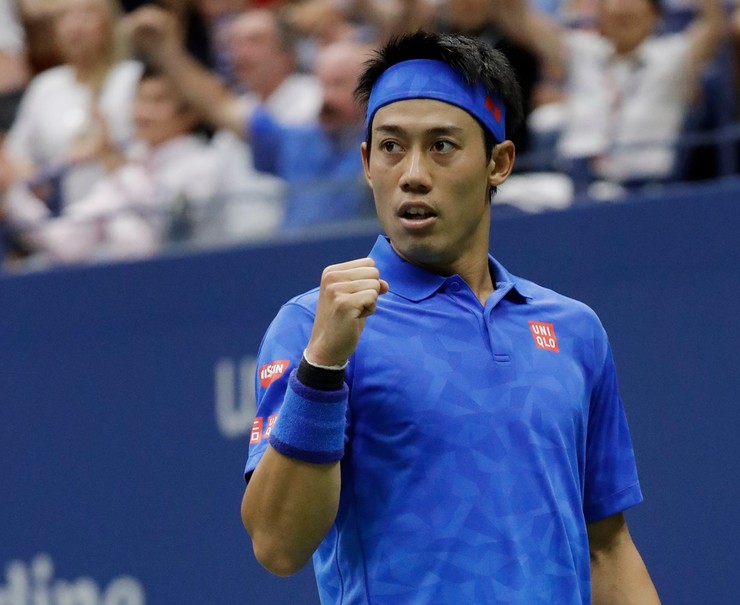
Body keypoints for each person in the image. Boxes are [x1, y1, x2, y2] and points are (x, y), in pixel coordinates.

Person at [241, 30, 661, 604]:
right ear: (366, 163)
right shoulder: (312, 325)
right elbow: (277, 545)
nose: (413, 173)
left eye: (441, 146)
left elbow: (607, 549)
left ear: (499, 163)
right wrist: (322, 367)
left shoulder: (574, 331)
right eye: (391, 147)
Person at [127, 5, 374, 232]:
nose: (326, 97)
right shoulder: (298, 141)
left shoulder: (381, 147)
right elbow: (221, 106)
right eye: (323, 84)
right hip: (290, 256)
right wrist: (165, 51)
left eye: (339, 84)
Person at [1, 63, 252, 266]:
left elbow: (162, 235)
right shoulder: (128, 165)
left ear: (190, 113)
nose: (143, 112)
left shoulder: (205, 164)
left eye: (157, 101)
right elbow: (67, 245)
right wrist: (11, 190)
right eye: (139, 100)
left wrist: (114, 163)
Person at [505, 0, 725, 188]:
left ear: (654, 15)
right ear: (600, 16)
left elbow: (714, 26)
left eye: (632, 11)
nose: (622, 11)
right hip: (572, 180)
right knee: (509, 195)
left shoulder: (673, 57)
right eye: (614, 9)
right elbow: (520, 19)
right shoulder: (581, 51)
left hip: (639, 185)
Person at [3, 0, 142, 210]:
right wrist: (31, 175)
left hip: (127, 208)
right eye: (66, 16)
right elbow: (16, 153)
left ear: (109, 23)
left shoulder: (132, 78)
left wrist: (107, 152)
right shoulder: (46, 85)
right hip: (62, 215)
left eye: (87, 15)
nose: (75, 26)